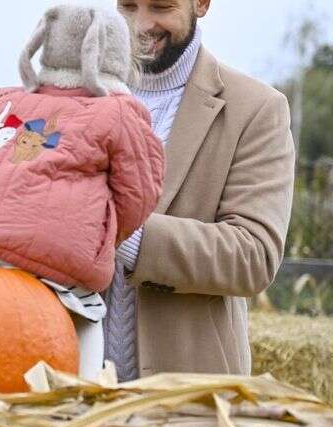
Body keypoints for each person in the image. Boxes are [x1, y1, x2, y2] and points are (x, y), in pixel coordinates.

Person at [0, 5, 165, 379]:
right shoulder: (119, 111)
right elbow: (139, 196)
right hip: (48, 257)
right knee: (90, 315)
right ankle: (85, 392)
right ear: (117, 56)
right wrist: (102, 232)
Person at [104, 0, 296, 380]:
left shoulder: (257, 109)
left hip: (189, 395)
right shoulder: (78, 96)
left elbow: (253, 255)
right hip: (71, 397)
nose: (141, 25)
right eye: (128, 6)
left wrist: (124, 233)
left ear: (202, 4)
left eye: (161, 7)